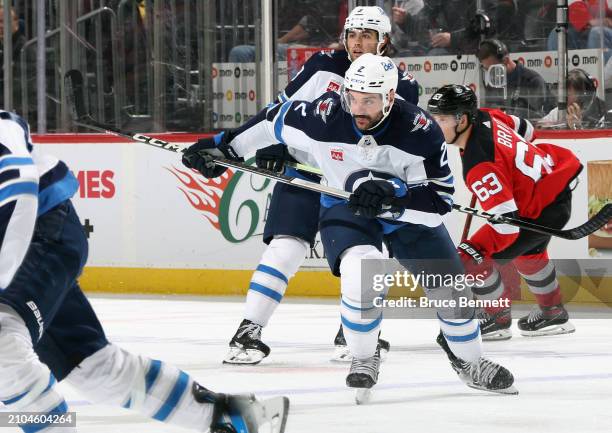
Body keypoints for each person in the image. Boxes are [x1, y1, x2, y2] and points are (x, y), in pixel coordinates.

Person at [182, 53, 517, 399]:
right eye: (352, 97)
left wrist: (395, 197)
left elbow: (439, 203)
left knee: (452, 292)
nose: (357, 108)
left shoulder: (421, 131)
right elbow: (271, 121)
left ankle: (470, 362)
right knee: (362, 272)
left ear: (389, 98)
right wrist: (224, 148)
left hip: (408, 216)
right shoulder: (324, 115)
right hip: (346, 207)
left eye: (368, 100)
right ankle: (363, 355)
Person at [0, 111, 289, 433]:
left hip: (40, 233)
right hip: (29, 242)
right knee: (93, 368)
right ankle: (230, 417)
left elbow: (19, 185)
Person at [223, 5, 419, 366]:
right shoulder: (322, 65)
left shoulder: (403, 85)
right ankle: (248, 330)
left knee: (364, 259)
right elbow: (281, 110)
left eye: (367, 36)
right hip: (305, 172)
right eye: (353, 34)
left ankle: (355, 332)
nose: (358, 43)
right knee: (286, 247)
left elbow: (399, 142)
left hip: (355, 185)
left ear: (385, 41)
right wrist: (274, 144)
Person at [427, 84, 582, 340]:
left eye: (442, 119)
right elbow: (527, 131)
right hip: (552, 192)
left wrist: (474, 255)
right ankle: (552, 311)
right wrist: (507, 169)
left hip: (538, 209)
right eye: (434, 118)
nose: (436, 126)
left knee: (468, 258)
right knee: (529, 252)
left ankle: (496, 317)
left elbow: (507, 227)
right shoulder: (486, 115)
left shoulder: (480, 164)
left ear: (463, 119)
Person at [477, 38, 553, 120]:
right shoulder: (493, 84)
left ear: (505, 61)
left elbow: (539, 118)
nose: (490, 74)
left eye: (493, 69)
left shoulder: (532, 81)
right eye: (487, 70)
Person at [540, 68, 608, 129]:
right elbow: (539, 127)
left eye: (570, 94)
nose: (567, 98)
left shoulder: (601, 114)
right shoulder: (560, 111)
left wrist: (578, 127)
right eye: (566, 94)